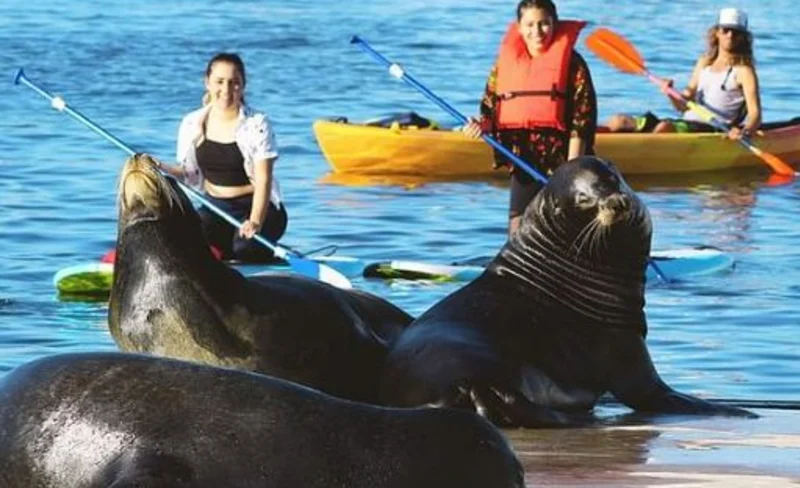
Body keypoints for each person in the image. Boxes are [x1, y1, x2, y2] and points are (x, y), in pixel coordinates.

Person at [463, 0, 597, 236]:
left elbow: (582, 120)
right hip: (524, 159)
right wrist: (479, 126)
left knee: (569, 229)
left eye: (544, 24)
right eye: (530, 25)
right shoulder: (503, 66)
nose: (537, 32)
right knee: (518, 230)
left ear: (554, 24)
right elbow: (490, 109)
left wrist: (570, 170)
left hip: (565, 158)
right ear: (519, 27)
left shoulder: (573, 65)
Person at [160, 52, 287, 262]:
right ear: (207, 83)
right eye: (219, 81)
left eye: (234, 82)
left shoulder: (257, 124)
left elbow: (264, 180)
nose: (226, 89)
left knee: (244, 248)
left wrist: (255, 221)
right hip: (215, 208)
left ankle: (264, 255)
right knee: (183, 243)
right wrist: (160, 167)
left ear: (243, 85)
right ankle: (223, 254)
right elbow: (189, 175)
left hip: (259, 207)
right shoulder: (192, 123)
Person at [605, 8, 761, 141]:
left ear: (743, 38)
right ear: (717, 33)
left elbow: (755, 114)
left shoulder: (744, 71)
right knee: (618, 121)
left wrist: (745, 131)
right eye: (725, 30)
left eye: (736, 32)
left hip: (713, 130)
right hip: (686, 123)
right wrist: (670, 93)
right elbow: (682, 106)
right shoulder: (704, 63)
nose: (730, 36)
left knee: (664, 128)